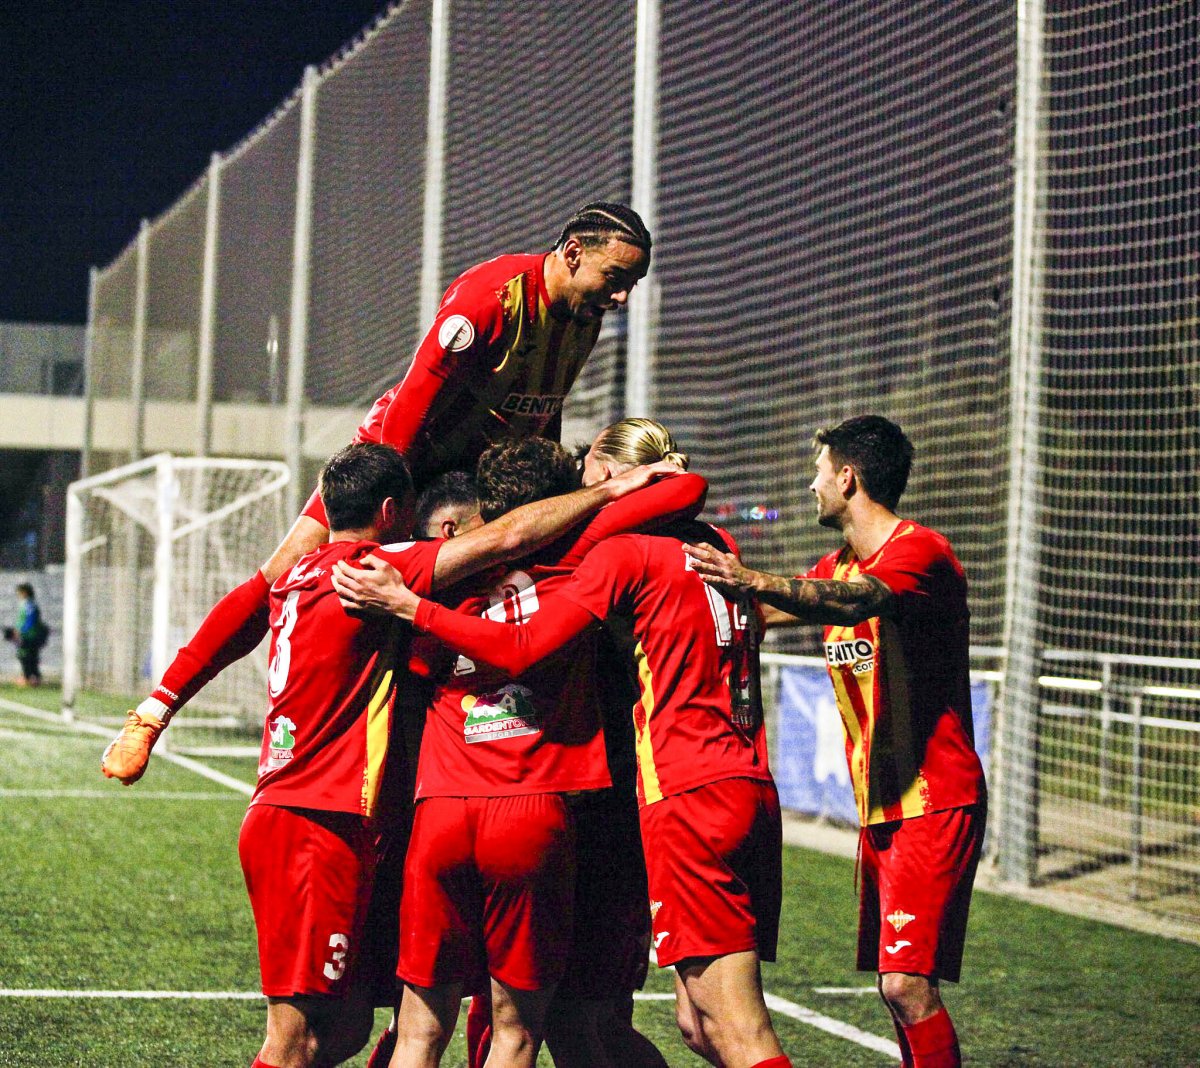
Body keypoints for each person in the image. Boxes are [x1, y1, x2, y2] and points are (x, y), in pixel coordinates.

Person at [100, 201, 652, 783]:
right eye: (615, 279)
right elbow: (409, 414)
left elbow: (545, 411)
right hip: (401, 458)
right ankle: (154, 711)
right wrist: (387, 516)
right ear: (571, 254)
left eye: (631, 286)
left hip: (474, 474)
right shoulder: (489, 301)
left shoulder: (582, 319)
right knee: (285, 576)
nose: (621, 298)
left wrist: (547, 486)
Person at [336, 422, 792, 1068]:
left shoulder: (435, 571)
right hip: (558, 810)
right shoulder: (591, 556)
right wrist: (620, 491)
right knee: (555, 1029)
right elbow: (684, 489)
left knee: (424, 1032)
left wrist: (413, 609)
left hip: (444, 810)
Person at [682, 415, 987, 1068]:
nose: (810, 483)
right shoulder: (835, 563)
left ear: (847, 478)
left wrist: (753, 580)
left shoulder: (918, 552)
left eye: (818, 470)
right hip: (882, 807)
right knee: (897, 988)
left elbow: (852, 602)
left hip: (934, 799)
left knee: (906, 985)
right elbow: (762, 612)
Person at [6, 582, 48, 687]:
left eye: (19, 593)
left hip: (29, 635)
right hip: (26, 634)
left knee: (26, 655)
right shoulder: (26, 604)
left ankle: (29, 677)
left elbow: (30, 620)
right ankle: (31, 677)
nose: (18, 595)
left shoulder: (29, 605)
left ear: (24, 593)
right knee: (26, 655)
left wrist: (20, 631)